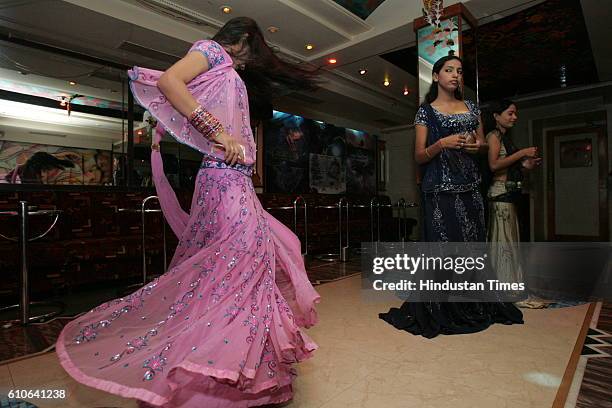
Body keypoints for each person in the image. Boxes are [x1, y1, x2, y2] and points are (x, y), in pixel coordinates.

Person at [57, 17, 320, 407]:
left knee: (241, 267)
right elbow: (169, 82)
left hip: (235, 181)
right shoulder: (212, 50)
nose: (249, 62)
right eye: (252, 52)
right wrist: (216, 131)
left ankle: (232, 375)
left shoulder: (229, 70)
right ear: (243, 39)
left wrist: (243, 154)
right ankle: (215, 368)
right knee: (241, 264)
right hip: (223, 180)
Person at [379, 55, 523, 338]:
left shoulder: (471, 107)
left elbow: (483, 145)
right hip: (439, 191)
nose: (455, 75)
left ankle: (472, 302)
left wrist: (475, 146)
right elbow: (420, 155)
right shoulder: (425, 112)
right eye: (448, 70)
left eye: (459, 71)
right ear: (436, 76)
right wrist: (441, 143)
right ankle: (443, 306)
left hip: (470, 187)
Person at [483, 100, 548, 308]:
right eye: (510, 113)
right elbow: (493, 165)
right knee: (504, 246)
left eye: (515, 114)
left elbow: (509, 166)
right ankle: (507, 293)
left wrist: (526, 164)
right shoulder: (493, 136)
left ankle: (512, 289)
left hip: (509, 195)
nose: (514, 117)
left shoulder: (506, 139)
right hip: (499, 197)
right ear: (496, 115)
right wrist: (521, 154)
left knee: (510, 244)